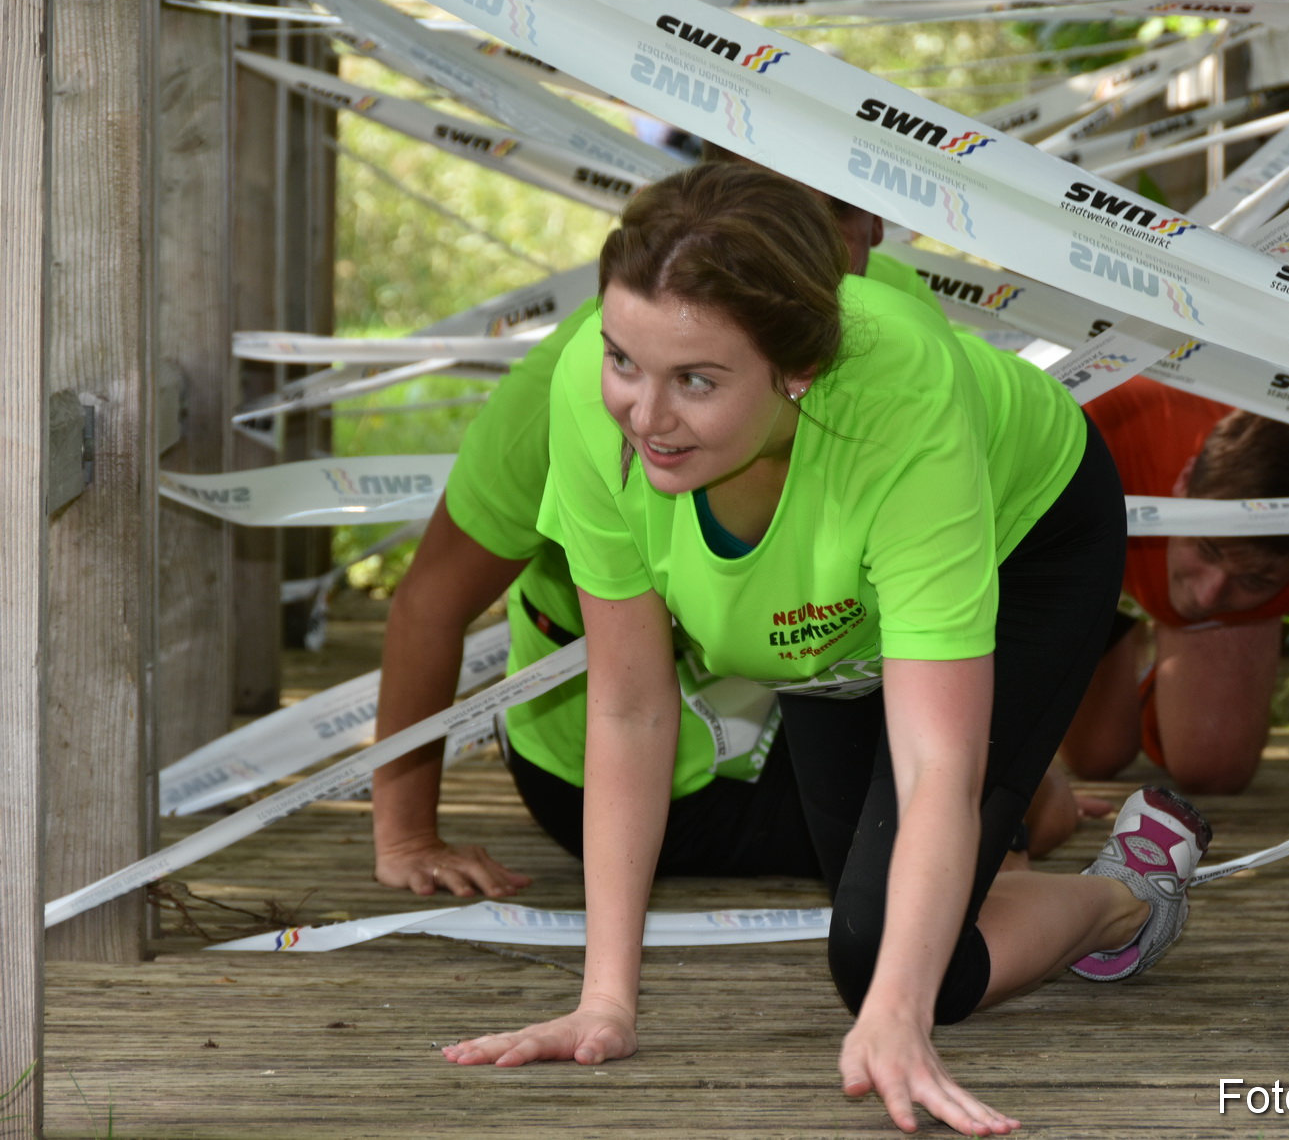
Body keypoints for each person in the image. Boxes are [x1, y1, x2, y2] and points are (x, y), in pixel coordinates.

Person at [439, 164, 1213, 1136]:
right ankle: (998, 874)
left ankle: (1126, 896)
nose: (645, 416)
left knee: (895, 970)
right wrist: (605, 1004)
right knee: (893, 927)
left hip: (1026, 541)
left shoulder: (901, 407)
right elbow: (631, 707)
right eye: (622, 359)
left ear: (797, 370)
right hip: (825, 614)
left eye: (697, 380)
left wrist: (899, 1013)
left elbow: (936, 763)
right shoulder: (590, 405)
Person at [369, 173, 1080, 899]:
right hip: (637, 764)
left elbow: (942, 535)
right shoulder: (573, 388)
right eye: (785, 208)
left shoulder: (886, 311)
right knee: (987, 837)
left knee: (990, 823)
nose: (816, 240)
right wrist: (405, 836)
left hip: (812, 674)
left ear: (877, 224)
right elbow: (431, 601)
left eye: (839, 208)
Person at [1064, 376, 1289, 801]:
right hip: (1079, 548)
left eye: (1255, 580)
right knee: (1093, 756)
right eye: (1207, 547)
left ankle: (1158, 691)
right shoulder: (1100, 421)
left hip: (1135, 552)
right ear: (1184, 481)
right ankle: (1119, 614)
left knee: (1212, 767)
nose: (1207, 595)